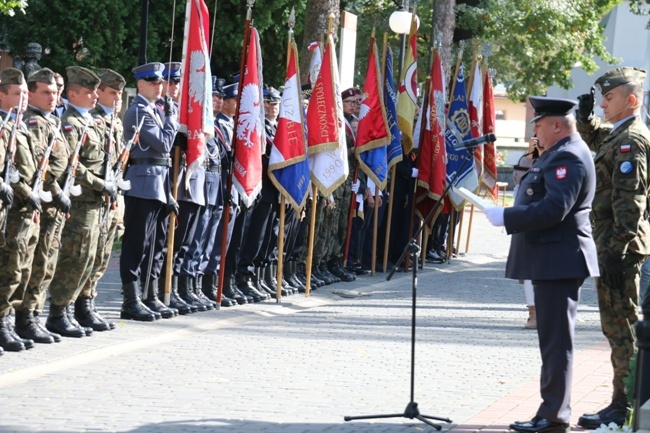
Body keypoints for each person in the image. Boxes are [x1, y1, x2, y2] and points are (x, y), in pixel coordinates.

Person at [483, 96, 599, 433]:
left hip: (559, 260)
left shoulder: (569, 156)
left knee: (557, 342)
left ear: (557, 125)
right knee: (551, 341)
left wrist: (507, 215)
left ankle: (553, 416)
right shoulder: (555, 154)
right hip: (550, 260)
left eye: (539, 123)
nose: (535, 130)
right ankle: (550, 411)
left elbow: (554, 209)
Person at [574, 66, 650, 428]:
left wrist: (618, 249)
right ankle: (621, 401)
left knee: (623, 330)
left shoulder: (631, 141)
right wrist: (585, 118)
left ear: (630, 100)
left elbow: (629, 201)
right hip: (612, 245)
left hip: (620, 249)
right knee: (615, 328)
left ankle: (626, 405)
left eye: (608, 98)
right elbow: (598, 137)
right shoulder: (619, 134)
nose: (603, 104)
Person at [46, 66, 114, 338]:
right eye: (88, 91)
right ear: (73, 94)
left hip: (97, 202)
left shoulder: (92, 121)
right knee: (75, 257)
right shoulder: (71, 123)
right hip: (82, 201)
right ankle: (59, 311)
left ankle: (81, 306)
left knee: (91, 257)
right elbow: (73, 167)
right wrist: (100, 184)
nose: (95, 96)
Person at [119, 62, 180, 322]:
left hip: (157, 184)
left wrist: (168, 193)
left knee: (155, 245)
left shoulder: (155, 110)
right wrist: (172, 119)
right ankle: (131, 300)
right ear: (140, 85)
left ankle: (149, 294)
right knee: (136, 244)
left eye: (160, 82)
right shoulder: (138, 111)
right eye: (153, 83)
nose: (159, 87)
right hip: (142, 184)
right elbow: (163, 144)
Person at [0, 68, 38, 352]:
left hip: (21, 210)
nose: (24, 98)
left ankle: (9, 322)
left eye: (26, 93)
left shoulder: (21, 126)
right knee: (8, 268)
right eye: (17, 94)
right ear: (2, 96)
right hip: (9, 209)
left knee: (19, 268)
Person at [512, 136, 541, 330]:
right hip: (528, 220)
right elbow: (518, 181)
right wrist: (531, 154)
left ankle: (551, 312)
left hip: (552, 219)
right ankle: (533, 314)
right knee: (530, 272)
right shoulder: (528, 158)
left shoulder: (562, 155)